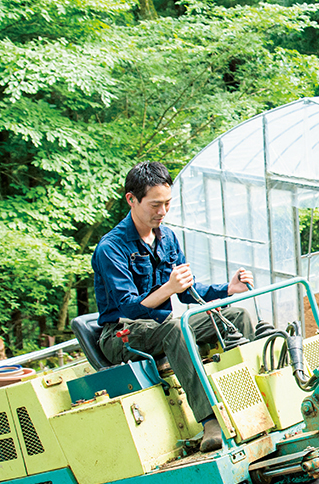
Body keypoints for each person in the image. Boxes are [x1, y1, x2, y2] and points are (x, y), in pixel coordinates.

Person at [92, 161, 253, 453]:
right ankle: (209, 420)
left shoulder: (167, 238)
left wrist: (227, 289)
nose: (162, 212)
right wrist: (168, 288)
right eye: (155, 205)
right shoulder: (110, 248)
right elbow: (128, 307)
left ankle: (250, 397)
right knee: (175, 327)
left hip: (162, 327)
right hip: (122, 334)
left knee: (235, 315)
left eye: (167, 204)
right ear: (131, 199)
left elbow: (187, 291)